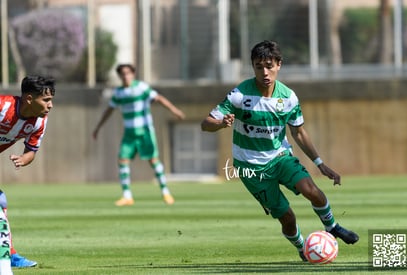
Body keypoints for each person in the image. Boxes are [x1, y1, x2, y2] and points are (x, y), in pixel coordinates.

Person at [201, 40, 359, 261]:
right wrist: (220, 123)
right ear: (253, 67)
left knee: (310, 189)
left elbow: (299, 133)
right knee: (287, 217)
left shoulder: (288, 97)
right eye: (259, 66)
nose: (265, 72)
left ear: (279, 64)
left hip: (280, 157)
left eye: (269, 65)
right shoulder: (239, 95)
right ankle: (302, 247)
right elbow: (205, 123)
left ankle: (331, 226)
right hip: (250, 167)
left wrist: (320, 163)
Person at [93, 64, 185, 206]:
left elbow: (158, 98)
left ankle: (166, 192)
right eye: (123, 74)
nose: (126, 76)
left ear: (133, 74)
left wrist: (174, 110)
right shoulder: (118, 93)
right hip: (129, 134)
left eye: (128, 73)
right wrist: (98, 127)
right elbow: (109, 110)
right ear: (120, 76)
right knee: (122, 161)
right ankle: (127, 196)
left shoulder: (141, 87)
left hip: (145, 131)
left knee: (153, 161)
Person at [0, 75, 55, 273]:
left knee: (1, 202)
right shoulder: (3, 107)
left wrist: (24, 159)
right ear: (30, 99)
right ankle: (7, 257)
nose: (50, 105)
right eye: (46, 100)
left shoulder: (40, 122)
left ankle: (9, 254)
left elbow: (31, 151)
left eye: (51, 100)